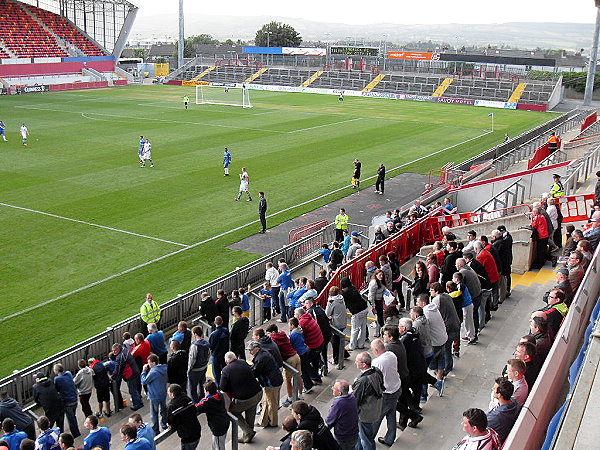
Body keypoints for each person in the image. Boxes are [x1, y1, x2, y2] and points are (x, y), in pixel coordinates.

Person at [219, 352, 263, 444]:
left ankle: (248, 432)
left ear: (226, 361)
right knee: (251, 411)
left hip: (243, 399)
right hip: (257, 394)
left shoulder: (226, 370)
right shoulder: (243, 362)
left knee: (232, 412)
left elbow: (222, 387)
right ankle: (247, 436)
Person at [370, 339, 402, 447]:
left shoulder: (377, 362)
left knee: (377, 417)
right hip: (396, 388)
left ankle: (369, 438)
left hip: (387, 393)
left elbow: (375, 381)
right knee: (391, 414)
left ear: (375, 350)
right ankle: (390, 438)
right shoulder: (391, 355)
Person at [351, 352, 384, 450]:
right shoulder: (377, 371)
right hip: (375, 408)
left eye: (357, 361)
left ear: (364, 364)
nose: (355, 363)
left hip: (365, 414)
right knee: (362, 435)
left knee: (366, 438)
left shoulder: (363, 381)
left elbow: (355, 399)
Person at [247, 341, 283, 428]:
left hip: (271, 383)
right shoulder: (263, 354)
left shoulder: (261, 358)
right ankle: (263, 421)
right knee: (266, 402)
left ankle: (273, 422)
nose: (249, 352)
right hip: (273, 381)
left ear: (257, 349)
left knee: (271, 403)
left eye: (251, 350)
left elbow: (255, 372)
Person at [266, 324, 302, 407]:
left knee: (288, 380)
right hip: (296, 356)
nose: (268, 335)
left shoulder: (273, 339)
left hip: (289, 360)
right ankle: (300, 395)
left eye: (268, 333)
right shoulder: (282, 333)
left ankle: (290, 398)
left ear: (273, 332)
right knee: (299, 376)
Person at [195, 380, 229, 450]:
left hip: (218, 427)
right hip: (224, 422)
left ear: (207, 392)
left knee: (219, 446)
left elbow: (197, 407)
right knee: (217, 443)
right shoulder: (219, 395)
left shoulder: (208, 402)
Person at [166, 384, 201, 450]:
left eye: (169, 393)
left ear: (173, 394)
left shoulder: (172, 406)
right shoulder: (187, 399)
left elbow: (170, 421)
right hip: (196, 431)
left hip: (187, 437)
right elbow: (194, 410)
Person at [111, 343, 144, 412]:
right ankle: (139, 401)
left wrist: (113, 376)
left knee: (133, 390)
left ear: (118, 349)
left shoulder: (120, 357)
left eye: (115, 350)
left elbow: (118, 368)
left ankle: (137, 404)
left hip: (130, 374)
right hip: (134, 370)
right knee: (135, 388)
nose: (114, 352)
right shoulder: (124, 350)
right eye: (113, 350)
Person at [140, 354, 168, 435]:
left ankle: (156, 430)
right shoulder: (164, 368)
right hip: (163, 392)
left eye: (149, 363)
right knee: (163, 410)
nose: (148, 364)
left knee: (154, 414)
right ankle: (164, 424)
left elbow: (144, 381)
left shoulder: (153, 372)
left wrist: (144, 371)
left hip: (154, 395)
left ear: (153, 363)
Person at [486, 377, 519, 443]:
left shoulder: (495, 417)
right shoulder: (514, 402)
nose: (492, 388)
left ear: (499, 395)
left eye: (494, 389)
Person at [52, 364, 81, 439]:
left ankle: (76, 434)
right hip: (74, 399)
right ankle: (75, 433)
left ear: (57, 371)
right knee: (72, 417)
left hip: (68, 401)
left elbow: (56, 389)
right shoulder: (68, 373)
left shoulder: (57, 379)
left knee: (71, 419)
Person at [341, 277, 368, 351]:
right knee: (363, 327)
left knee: (355, 329)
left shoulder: (345, 292)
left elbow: (344, 302)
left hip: (356, 312)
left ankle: (352, 346)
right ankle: (361, 344)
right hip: (364, 308)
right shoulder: (353, 288)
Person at [188, 326, 210, 403]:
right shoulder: (206, 343)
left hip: (195, 370)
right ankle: (202, 400)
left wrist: (189, 369)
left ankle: (196, 403)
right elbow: (208, 355)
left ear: (195, 334)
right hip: (203, 367)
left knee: (192, 388)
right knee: (201, 385)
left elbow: (192, 359)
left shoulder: (195, 346)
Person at [209, 317, 230, 386]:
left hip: (216, 355)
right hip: (225, 354)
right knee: (225, 371)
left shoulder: (213, 334)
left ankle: (219, 387)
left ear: (215, 323)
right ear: (222, 322)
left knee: (216, 373)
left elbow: (211, 346)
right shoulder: (226, 330)